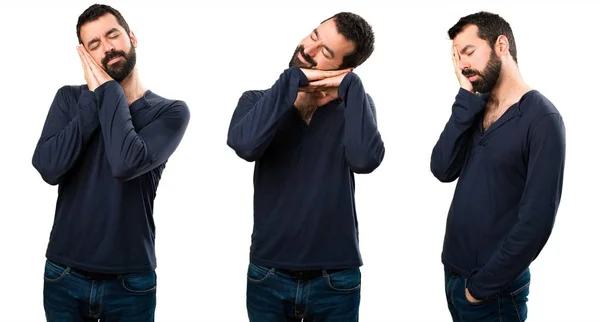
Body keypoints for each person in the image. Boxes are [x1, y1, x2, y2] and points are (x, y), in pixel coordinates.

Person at [31, 4, 190, 321]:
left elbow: (125, 162)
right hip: (63, 274)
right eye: (94, 45)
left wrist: (109, 91)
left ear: (131, 37)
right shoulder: (69, 99)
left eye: (113, 35)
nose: (108, 48)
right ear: (85, 55)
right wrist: (96, 97)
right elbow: (48, 167)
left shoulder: (170, 112)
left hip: (130, 284)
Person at [227, 12, 384, 322]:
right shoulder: (257, 100)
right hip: (268, 274)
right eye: (314, 36)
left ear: (343, 70)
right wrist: (290, 81)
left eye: (325, 53)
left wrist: (352, 88)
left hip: (336, 279)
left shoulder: (356, 107)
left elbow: (365, 160)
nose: (308, 50)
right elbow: (245, 146)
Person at [430, 11, 566, 321]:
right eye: (455, 57)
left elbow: (537, 222)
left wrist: (481, 288)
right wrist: (466, 97)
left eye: (468, 52)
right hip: (453, 275)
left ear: (500, 45)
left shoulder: (543, 120)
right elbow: (442, 168)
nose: (461, 65)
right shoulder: (476, 106)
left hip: (493, 291)